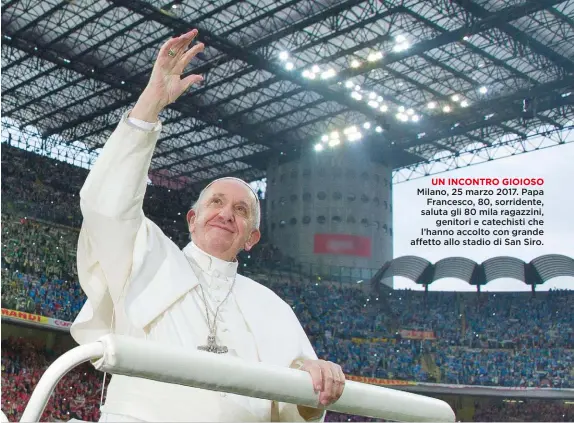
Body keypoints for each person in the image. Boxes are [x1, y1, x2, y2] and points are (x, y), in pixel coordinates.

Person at [70, 29, 345, 422]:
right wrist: (151, 102)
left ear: (251, 238)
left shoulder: (274, 308)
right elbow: (105, 205)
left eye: (241, 209)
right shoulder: (146, 256)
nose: (226, 213)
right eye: (216, 202)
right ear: (193, 219)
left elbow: (293, 408)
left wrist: (314, 380)